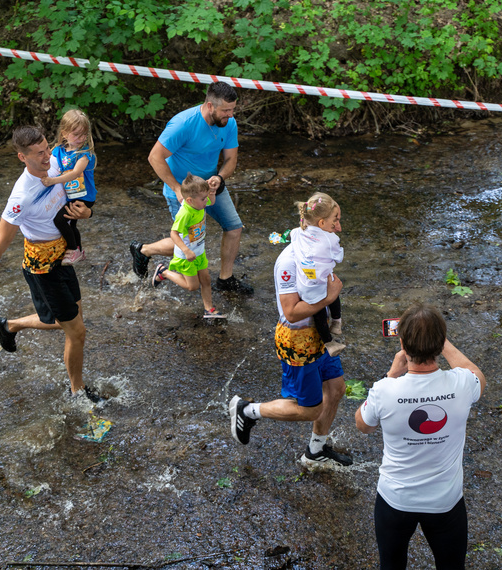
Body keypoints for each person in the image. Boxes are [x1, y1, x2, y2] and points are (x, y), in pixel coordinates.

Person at [0, 125, 100, 403]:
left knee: (71, 323)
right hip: (42, 267)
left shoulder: (59, 160)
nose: (48, 158)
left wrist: (88, 213)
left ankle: (9, 326)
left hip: (63, 256)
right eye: (39, 154)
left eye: (47, 148)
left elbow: (80, 199)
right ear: (22, 157)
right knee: (77, 331)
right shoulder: (21, 197)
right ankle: (77, 392)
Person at [355, 304, 486, 570]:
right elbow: (478, 375)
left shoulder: (384, 390)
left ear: (402, 343)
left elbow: (363, 425)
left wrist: (392, 373)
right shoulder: (461, 384)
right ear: (440, 345)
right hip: (445, 502)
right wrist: (443, 343)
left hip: (395, 499)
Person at [228, 207, 351, 468]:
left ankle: (315, 452)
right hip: (298, 342)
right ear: (318, 223)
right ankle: (247, 411)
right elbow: (292, 313)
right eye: (335, 221)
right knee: (310, 409)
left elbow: (280, 236)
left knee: (336, 389)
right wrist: (329, 298)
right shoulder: (289, 261)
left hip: (320, 337)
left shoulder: (317, 249)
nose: (339, 228)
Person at [132, 81, 252, 294]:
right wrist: (177, 188)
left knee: (234, 227)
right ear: (209, 106)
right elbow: (154, 156)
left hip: (210, 186)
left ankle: (226, 278)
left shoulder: (229, 123)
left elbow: (231, 159)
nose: (231, 115)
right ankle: (145, 250)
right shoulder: (184, 124)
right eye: (225, 110)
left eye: (233, 110)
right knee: (190, 241)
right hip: (185, 192)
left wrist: (220, 177)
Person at [150, 173, 226, 319]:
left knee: (206, 281)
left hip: (199, 251)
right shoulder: (185, 213)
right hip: (186, 256)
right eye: (203, 199)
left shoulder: (199, 203)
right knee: (193, 286)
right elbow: (173, 234)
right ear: (190, 200)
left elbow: (211, 201)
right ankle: (163, 272)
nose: (206, 201)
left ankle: (208, 309)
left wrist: (211, 192)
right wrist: (186, 250)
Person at [290, 192, 345, 356]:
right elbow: (338, 257)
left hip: (304, 287)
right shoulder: (330, 239)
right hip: (323, 283)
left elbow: (292, 235)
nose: (338, 226)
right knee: (334, 292)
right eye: (335, 219)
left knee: (319, 315)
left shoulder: (297, 233)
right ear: (322, 222)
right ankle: (336, 321)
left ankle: (329, 343)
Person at [41, 109, 97, 266]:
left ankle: (73, 250)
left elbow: (75, 173)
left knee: (60, 220)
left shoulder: (84, 154)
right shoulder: (59, 150)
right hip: (70, 195)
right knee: (71, 224)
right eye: (76, 134)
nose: (81, 139)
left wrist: (52, 181)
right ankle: (79, 250)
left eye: (84, 134)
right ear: (64, 133)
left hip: (84, 197)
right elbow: (47, 160)